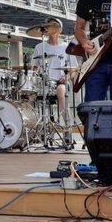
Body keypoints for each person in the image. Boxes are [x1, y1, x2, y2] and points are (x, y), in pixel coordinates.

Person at [31, 17, 78, 145]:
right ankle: (37, 128)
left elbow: (73, 70)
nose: (51, 27)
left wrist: (66, 77)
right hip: (44, 83)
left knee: (60, 90)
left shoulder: (67, 47)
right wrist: (36, 74)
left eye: (54, 25)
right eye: (49, 25)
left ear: (60, 29)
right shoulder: (39, 47)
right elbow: (34, 68)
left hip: (61, 82)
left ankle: (66, 126)